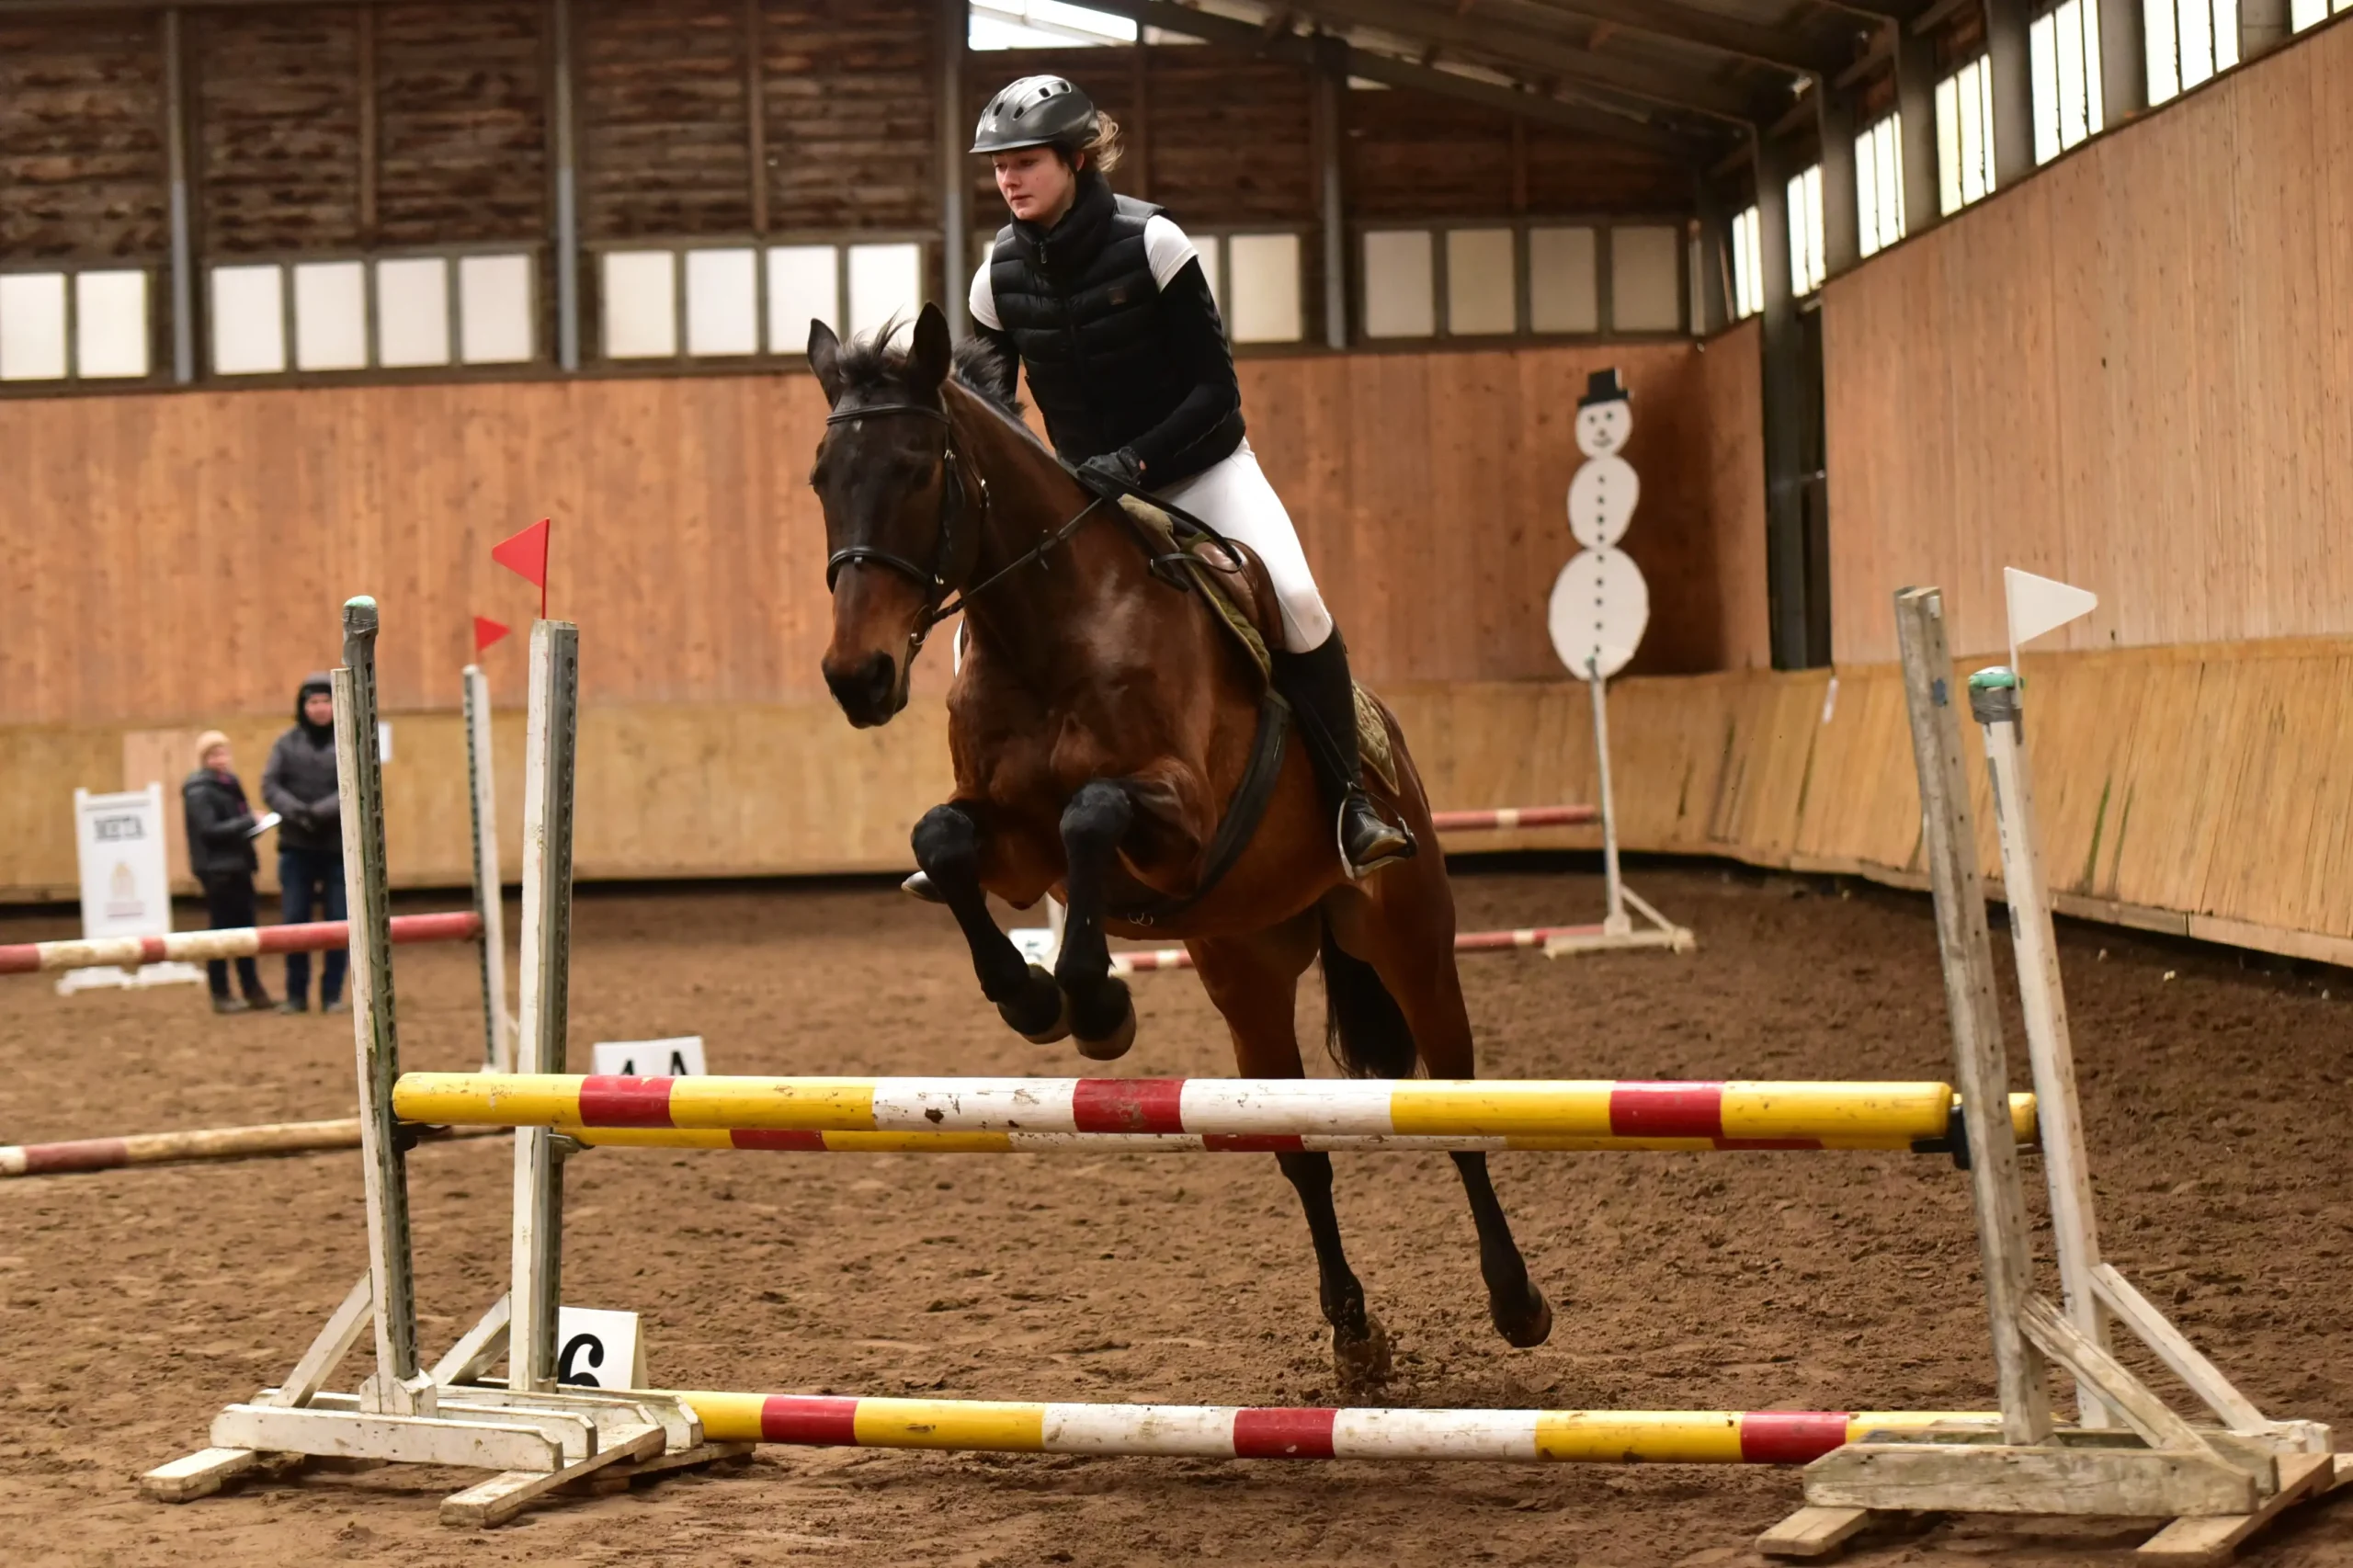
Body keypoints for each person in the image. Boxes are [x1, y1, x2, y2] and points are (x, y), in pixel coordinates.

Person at [963, 74, 1414, 878]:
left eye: (1025, 162)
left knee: (1299, 603)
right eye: (999, 166)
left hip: (1199, 471)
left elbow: (1217, 393)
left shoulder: (1154, 243)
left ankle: (1353, 805)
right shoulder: (994, 278)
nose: (1009, 179)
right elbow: (995, 416)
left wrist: (1135, 461)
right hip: (1087, 495)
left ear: (1075, 159)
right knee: (980, 631)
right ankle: (988, 817)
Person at [262, 673, 347, 1014]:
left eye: (326, 701)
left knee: (339, 922)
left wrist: (320, 811)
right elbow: (270, 785)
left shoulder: (348, 740)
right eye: (313, 702)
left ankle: (332, 995)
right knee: (295, 921)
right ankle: (296, 995)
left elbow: (356, 783)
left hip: (339, 849)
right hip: (296, 847)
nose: (320, 708)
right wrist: (298, 812)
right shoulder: (285, 744)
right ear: (303, 706)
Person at [181, 732, 274, 1014]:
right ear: (204, 758)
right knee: (221, 931)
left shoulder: (230, 783)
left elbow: (233, 823)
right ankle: (220, 992)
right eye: (214, 754)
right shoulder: (198, 789)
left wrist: (253, 825)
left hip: (238, 865)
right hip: (217, 870)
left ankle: (252, 989)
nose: (221, 759)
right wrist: (248, 821)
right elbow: (209, 830)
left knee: (245, 930)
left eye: (223, 752)